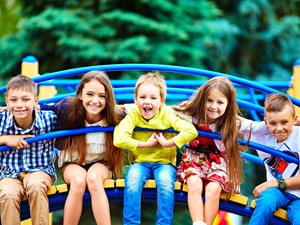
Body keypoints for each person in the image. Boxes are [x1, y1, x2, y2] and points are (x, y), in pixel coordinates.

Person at [113, 72, 198, 225]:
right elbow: (118, 139)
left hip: (164, 163)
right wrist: (146, 144)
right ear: (135, 99)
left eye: (153, 98)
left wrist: (167, 143)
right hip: (140, 163)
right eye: (142, 97)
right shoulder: (133, 114)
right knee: (132, 182)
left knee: (165, 184)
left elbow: (191, 131)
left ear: (162, 101)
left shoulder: (167, 114)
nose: (147, 102)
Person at [43, 71, 125, 225]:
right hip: (73, 163)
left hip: (102, 163)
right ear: (80, 94)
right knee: (79, 180)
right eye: (90, 94)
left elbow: (143, 114)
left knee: (93, 179)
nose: (95, 100)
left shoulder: (115, 116)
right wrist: (9, 109)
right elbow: (36, 109)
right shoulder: (67, 108)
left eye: (102, 96)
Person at [173, 76, 244, 225]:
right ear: (202, 99)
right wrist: (126, 108)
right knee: (194, 183)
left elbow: (257, 128)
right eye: (209, 100)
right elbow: (161, 110)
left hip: (218, 166)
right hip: (194, 163)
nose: (213, 106)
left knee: (213, 189)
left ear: (228, 104)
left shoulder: (231, 122)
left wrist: (292, 124)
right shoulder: (191, 114)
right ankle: (198, 222)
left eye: (220, 102)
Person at [0, 75, 57, 225]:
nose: (19, 105)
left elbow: (75, 116)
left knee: (36, 186)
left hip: (40, 170)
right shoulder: (1, 120)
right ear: (7, 102)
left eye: (25, 99)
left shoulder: (49, 119)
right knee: (8, 194)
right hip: (8, 173)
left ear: (36, 101)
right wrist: (5, 139)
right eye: (13, 100)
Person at [240, 93, 300, 225]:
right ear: (265, 122)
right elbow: (230, 120)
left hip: (298, 196)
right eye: (273, 123)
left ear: (295, 120)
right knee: (265, 203)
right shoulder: (261, 135)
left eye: (284, 122)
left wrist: (271, 183)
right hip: (277, 192)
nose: (279, 128)